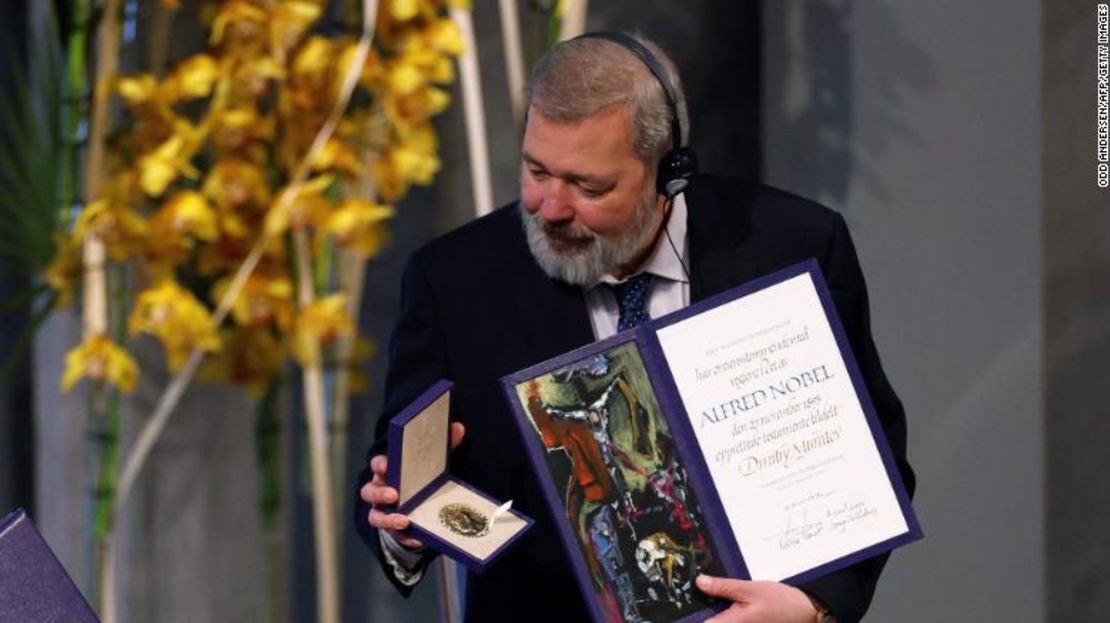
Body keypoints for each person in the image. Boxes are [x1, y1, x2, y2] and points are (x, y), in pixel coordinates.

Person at [356, 31, 914, 623]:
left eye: (588, 186)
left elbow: (872, 464)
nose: (550, 207)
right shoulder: (456, 279)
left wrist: (811, 606)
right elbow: (395, 477)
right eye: (536, 170)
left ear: (667, 172)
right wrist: (401, 523)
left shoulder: (793, 246)